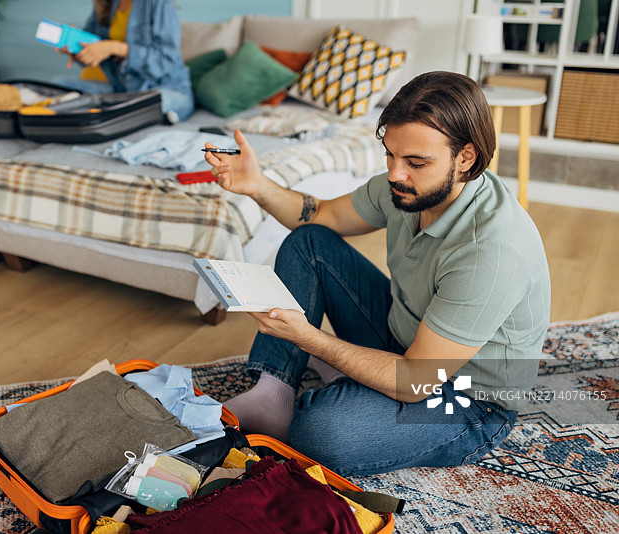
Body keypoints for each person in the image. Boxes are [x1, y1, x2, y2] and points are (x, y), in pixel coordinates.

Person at [204, 71, 551, 477]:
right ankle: (272, 393)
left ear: (466, 158)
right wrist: (258, 185)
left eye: (415, 162)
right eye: (390, 154)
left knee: (319, 434)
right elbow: (321, 215)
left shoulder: (492, 250)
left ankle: (349, 376)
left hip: (468, 399)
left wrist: (309, 338)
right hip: (404, 337)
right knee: (310, 242)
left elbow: (417, 380)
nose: (394, 174)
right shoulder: (406, 187)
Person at [51, 0, 194, 123]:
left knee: (148, 104)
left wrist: (114, 47)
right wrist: (77, 48)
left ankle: (113, 112)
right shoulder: (105, 4)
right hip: (121, 90)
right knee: (58, 84)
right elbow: (93, 52)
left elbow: (165, 59)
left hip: (166, 89)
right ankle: (115, 112)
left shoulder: (159, 2)